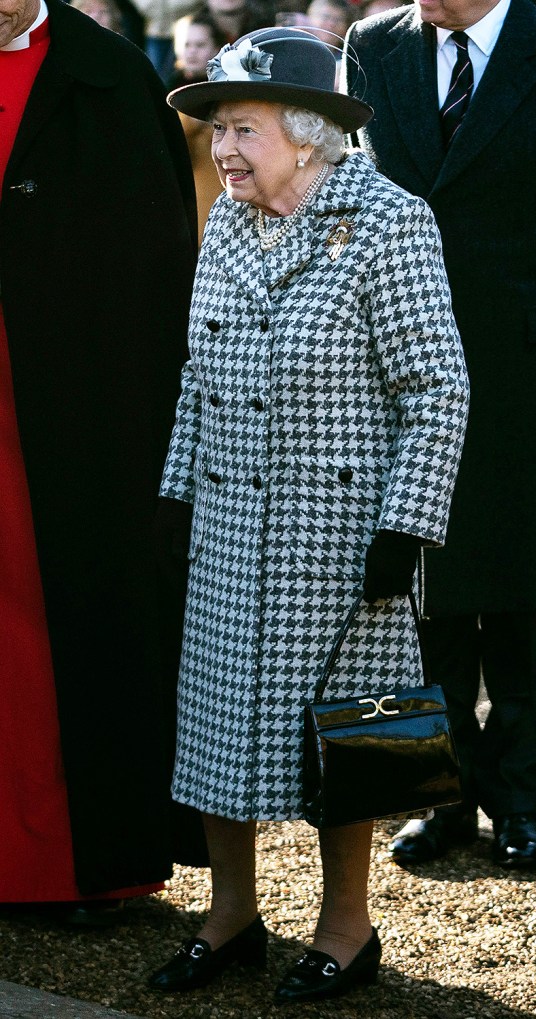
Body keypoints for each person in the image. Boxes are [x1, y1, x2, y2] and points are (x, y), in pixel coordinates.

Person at [148, 26, 469, 1003]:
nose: (223, 150)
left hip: (341, 542)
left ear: (307, 130)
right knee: (213, 726)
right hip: (228, 528)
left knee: (347, 740)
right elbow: (196, 374)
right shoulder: (226, 222)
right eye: (214, 132)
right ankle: (231, 912)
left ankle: (345, 926)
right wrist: (174, 497)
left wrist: (405, 524)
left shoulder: (387, 218)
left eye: (239, 128)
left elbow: (438, 385)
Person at [343, 0, 536, 870]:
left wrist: (530, 297)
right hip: (397, 366)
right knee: (407, 593)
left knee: (527, 594)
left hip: (530, 367)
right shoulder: (372, 45)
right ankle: (435, 800)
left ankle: (517, 799)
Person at [0, 0, 205, 921]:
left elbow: (153, 279)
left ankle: (87, 868)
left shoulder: (112, 81)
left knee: (68, 625)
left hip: (78, 423)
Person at [169, 13, 224, 240]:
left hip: (214, 199)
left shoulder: (227, 92)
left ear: (217, 48)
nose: (191, 51)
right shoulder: (166, 90)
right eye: (186, 44)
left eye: (200, 45)